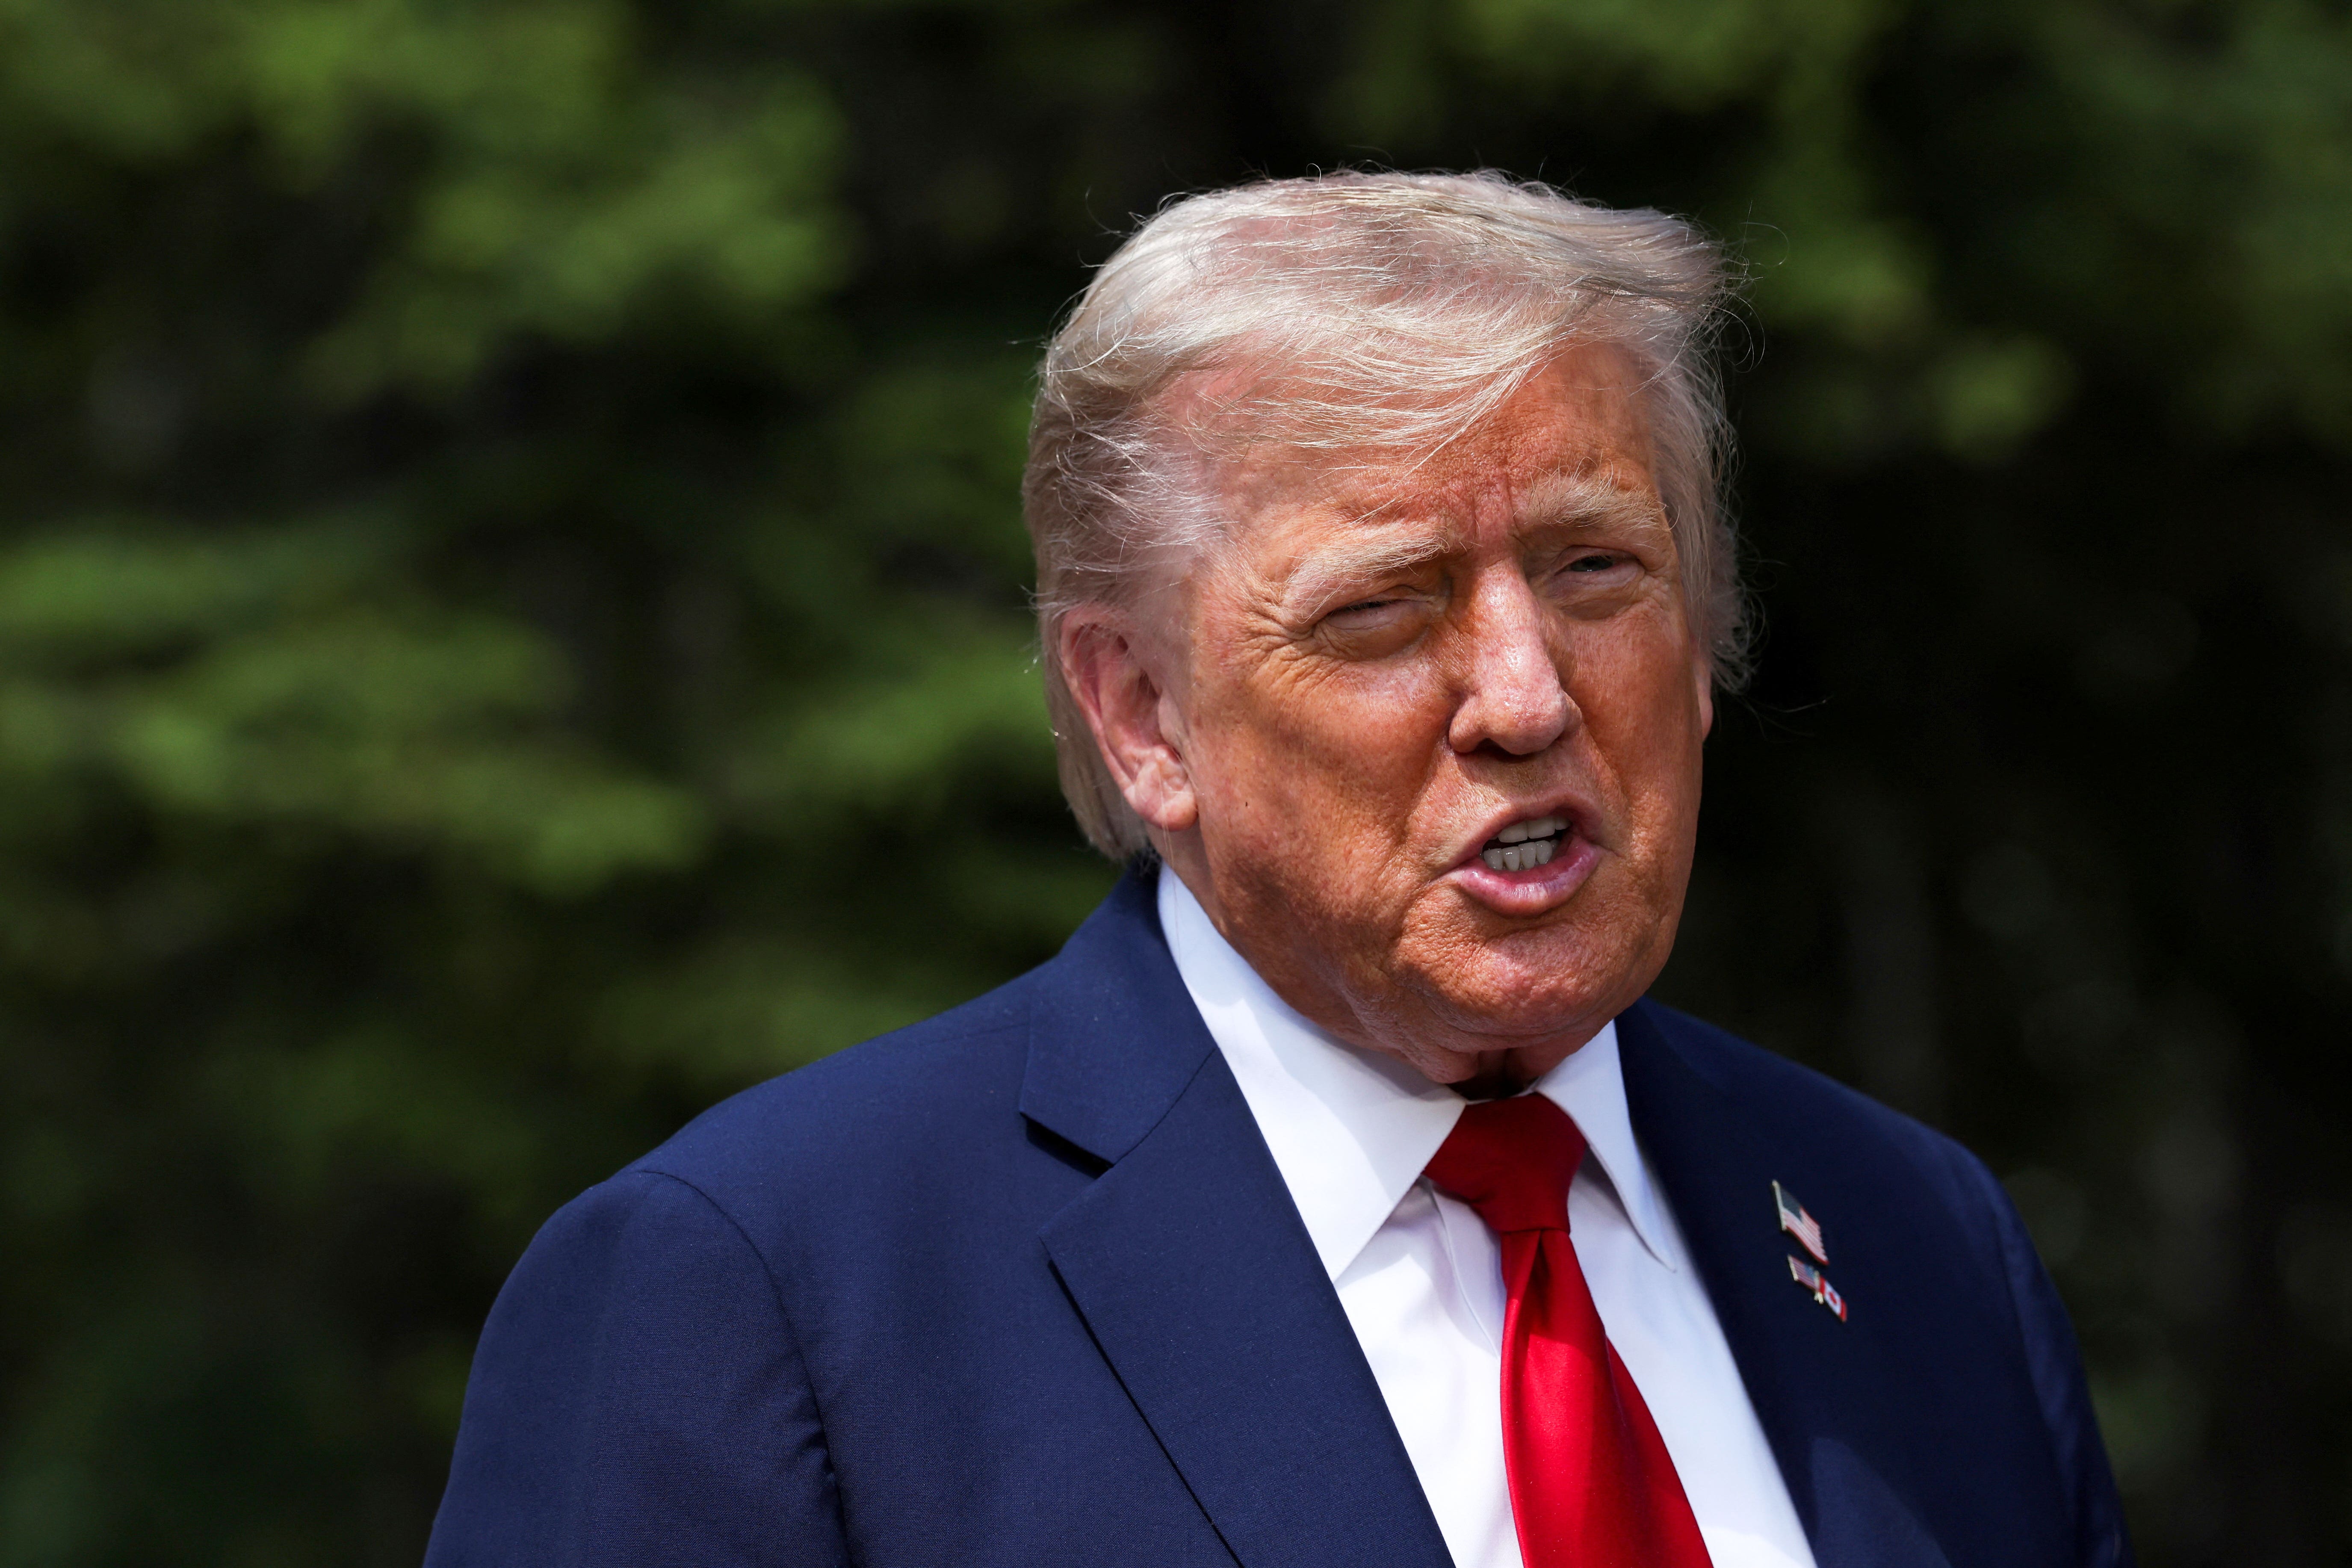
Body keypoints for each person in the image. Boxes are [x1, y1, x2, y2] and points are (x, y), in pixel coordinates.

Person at [423, 171, 2131, 1568]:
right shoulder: (766, 1292)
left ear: (1703, 640)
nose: (1526, 696)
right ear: (1141, 711)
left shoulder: (1916, 1241)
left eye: (1598, 566)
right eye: (1382, 610)